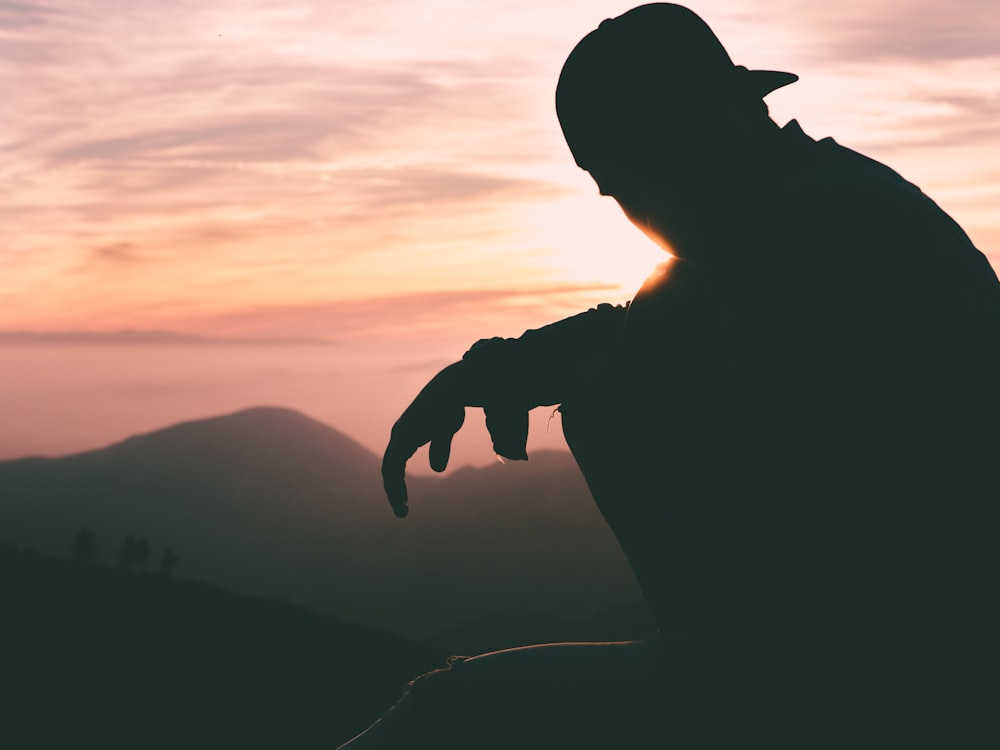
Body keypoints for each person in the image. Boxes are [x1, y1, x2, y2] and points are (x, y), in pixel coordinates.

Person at [343, 4, 1000, 748]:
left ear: (693, 135)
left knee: (451, 719)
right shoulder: (785, 220)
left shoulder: (840, 245)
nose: (621, 205)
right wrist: (495, 367)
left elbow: (929, 542)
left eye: (622, 180)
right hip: (793, 671)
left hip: (835, 692)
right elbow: (645, 325)